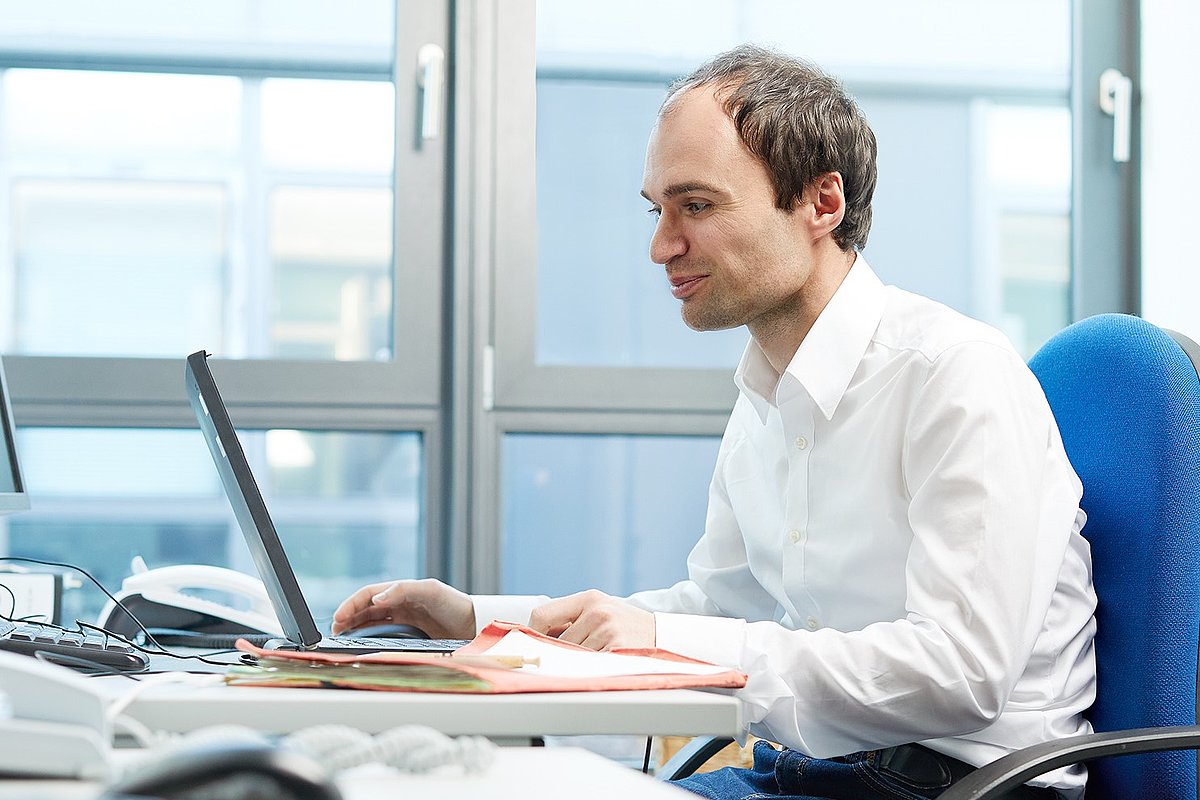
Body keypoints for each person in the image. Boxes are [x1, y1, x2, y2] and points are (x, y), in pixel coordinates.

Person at [334, 44, 1097, 800]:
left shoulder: (954, 374)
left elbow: (960, 675)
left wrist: (669, 639)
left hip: (960, 786)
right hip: (816, 772)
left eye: (695, 206)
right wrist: (480, 624)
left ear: (820, 204)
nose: (662, 246)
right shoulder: (766, 395)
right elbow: (718, 610)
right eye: (658, 210)